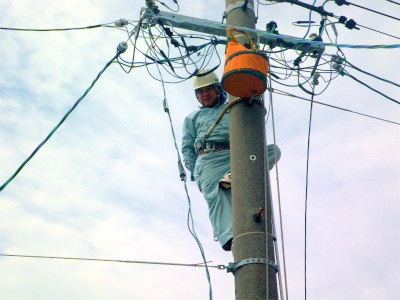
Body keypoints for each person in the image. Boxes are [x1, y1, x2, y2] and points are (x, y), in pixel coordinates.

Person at [182, 69, 281, 251]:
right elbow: (187, 149)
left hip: (236, 154)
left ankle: (238, 173)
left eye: (208, 90)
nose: (205, 95)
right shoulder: (192, 118)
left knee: (273, 151)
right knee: (217, 194)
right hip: (209, 159)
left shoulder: (233, 106)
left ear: (218, 89)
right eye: (200, 92)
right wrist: (196, 173)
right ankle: (229, 237)